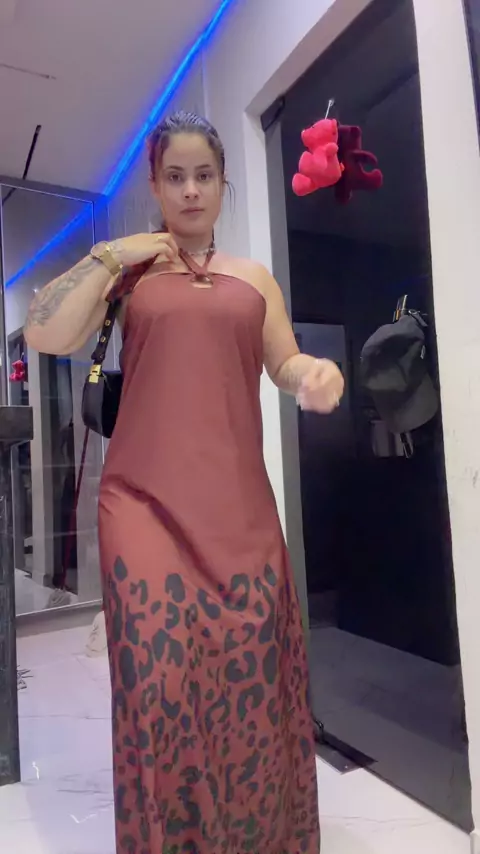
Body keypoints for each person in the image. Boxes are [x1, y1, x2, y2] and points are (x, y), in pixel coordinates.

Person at [25, 111, 343, 854]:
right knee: (157, 686)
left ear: (224, 184)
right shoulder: (130, 275)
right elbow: (44, 332)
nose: (191, 190)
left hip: (238, 512)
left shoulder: (253, 278)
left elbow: (282, 361)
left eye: (204, 176)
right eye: (176, 177)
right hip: (142, 506)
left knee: (249, 685)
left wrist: (311, 374)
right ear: (156, 185)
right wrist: (115, 253)